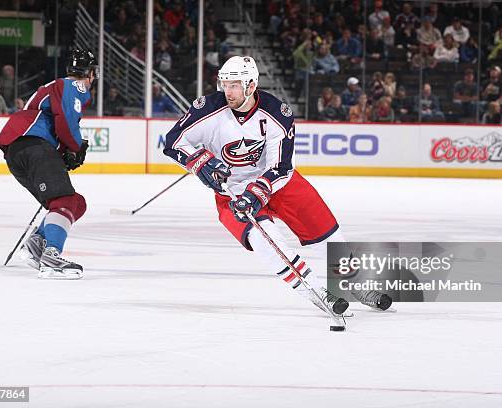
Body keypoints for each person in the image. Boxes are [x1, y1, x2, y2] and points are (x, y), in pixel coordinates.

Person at [163, 56, 390, 318]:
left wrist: (257, 192)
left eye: (235, 85)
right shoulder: (207, 109)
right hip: (232, 192)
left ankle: (356, 284)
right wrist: (201, 162)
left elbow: (281, 167)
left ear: (251, 85)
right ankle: (314, 290)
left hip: (278, 184)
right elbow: (173, 142)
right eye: (225, 84)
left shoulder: (276, 113)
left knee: (327, 232)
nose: (228, 91)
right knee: (266, 240)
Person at [0, 48, 97, 279]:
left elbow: (53, 121)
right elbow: (65, 120)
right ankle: (51, 256)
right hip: (33, 145)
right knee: (64, 200)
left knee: (74, 203)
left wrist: (63, 152)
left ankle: (36, 245)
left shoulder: (55, 86)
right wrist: (75, 146)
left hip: (20, 151)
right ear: (88, 72)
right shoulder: (74, 85)